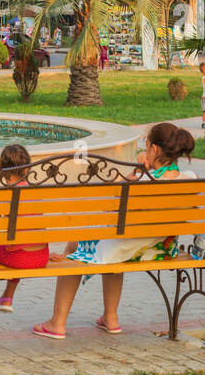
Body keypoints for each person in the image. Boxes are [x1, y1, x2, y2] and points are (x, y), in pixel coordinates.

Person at [33, 122, 196, 339]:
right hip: (161, 249)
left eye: (146, 146)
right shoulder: (188, 179)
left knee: (74, 253)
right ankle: (110, 318)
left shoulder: (144, 181)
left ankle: (57, 323)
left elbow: (114, 201)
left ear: (154, 150)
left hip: (128, 246)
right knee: (110, 246)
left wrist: (138, 171)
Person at [0, 144, 49, 311]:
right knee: (18, 242)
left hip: (20, 259)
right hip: (42, 256)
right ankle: (7, 297)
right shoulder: (35, 194)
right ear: (27, 169)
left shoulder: (5, 196)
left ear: (2, 170)